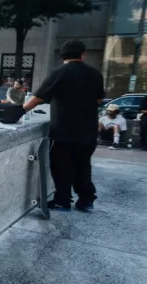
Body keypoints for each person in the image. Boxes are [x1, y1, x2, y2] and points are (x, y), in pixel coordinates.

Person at [23, 39, 105, 212]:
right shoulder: (95, 74)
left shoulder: (58, 73)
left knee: (62, 166)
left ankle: (62, 200)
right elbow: (99, 99)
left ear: (63, 56)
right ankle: (86, 200)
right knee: (83, 165)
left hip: (64, 130)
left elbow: (37, 98)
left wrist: (20, 110)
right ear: (83, 54)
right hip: (88, 130)